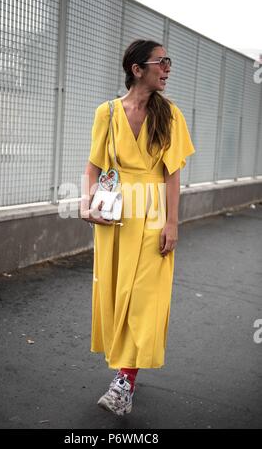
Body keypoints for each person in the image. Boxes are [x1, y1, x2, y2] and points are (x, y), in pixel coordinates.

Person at [80, 39, 196, 416]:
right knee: (117, 296)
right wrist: (86, 205)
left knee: (145, 299)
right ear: (137, 69)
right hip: (114, 215)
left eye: (169, 61)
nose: (167, 68)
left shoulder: (171, 115)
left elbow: (172, 174)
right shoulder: (107, 113)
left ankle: (124, 381)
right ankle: (125, 370)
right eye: (161, 61)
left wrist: (172, 223)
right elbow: (93, 167)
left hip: (153, 212)